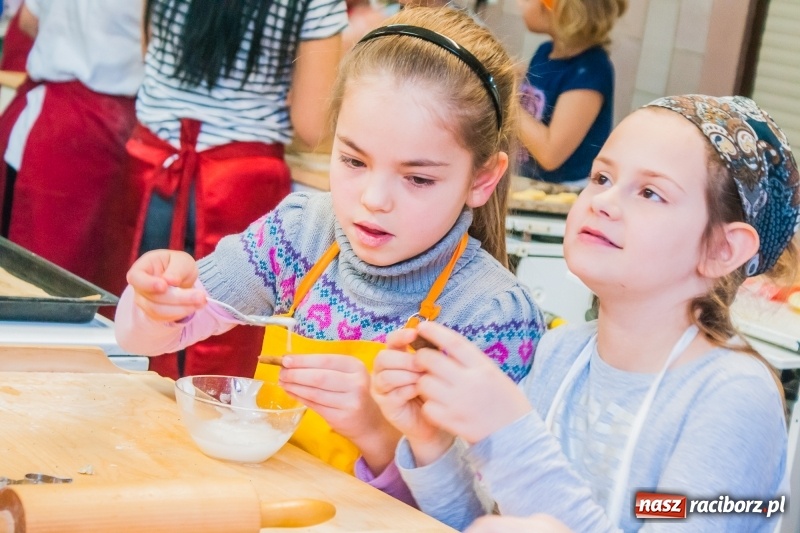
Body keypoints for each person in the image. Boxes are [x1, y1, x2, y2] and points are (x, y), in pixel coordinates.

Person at [115, 5, 544, 494]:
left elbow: (485, 512)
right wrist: (156, 302)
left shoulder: (492, 315)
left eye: (418, 178)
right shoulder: (301, 235)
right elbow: (145, 339)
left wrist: (376, 433)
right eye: (353, 160)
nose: (374, 200)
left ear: (483, 178)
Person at [373, 94, 799, 531]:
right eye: (601, 177)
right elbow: (484, 523)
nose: (604, 201)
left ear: (723, 249)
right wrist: (433, 443)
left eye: (650, 192)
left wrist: (507, 430)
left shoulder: (734, 396)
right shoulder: (560, 354)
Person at [124, 0, 347, 379]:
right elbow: (313, 124)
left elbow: (150, 53)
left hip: (153, 169)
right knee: (225, 359)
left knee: (146, 317)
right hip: (240, 186)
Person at [0, 0, 143, 297]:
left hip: (36, 122)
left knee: (20, 276)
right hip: (93, 134)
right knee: (62, 287)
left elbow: (28, 21)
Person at [516, 0, 626, 186]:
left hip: (566, 195)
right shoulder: (545, 52)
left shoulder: (591, 70)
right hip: (534, 184)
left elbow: (550, 155)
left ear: (560, 8)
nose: (519, 3)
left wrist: (506, 95)